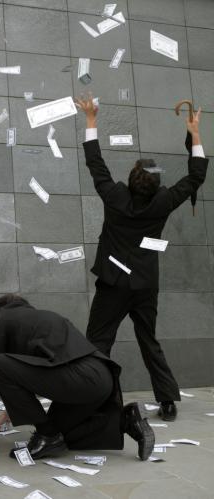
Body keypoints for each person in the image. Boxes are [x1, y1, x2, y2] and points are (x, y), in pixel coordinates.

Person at [75, 94, 209, 422]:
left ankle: (96, 399)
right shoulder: (163, 202)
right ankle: (167, 401)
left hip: (113, 283)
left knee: (98, 341)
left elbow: (95, 163)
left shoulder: (114, 196)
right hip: (145, 284)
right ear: (155, 185)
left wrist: (91, 120)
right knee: (148, 340)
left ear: (132, 180)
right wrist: (194, 133)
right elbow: (196, 177)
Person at [0, 294, 155, 461]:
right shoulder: (46, 318)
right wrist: (13, 406)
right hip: (101, 378)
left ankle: (46, 437)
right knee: (59, 436)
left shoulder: (2, 318)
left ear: (0, 310)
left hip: (78, 377)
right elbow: (33, 372)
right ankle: (127, 420)